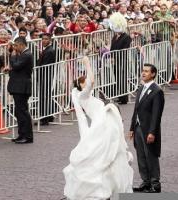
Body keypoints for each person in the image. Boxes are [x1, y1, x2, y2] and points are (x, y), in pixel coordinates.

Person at [63, 57, 133, 200]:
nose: (87, 82)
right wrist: (87, 64)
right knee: (104, 152)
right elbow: (92, 81)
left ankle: (105, 185)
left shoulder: (84, 97)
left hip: (103, 123)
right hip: (102, 124)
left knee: (105, 152)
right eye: (84, 81)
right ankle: (100, 187)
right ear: (82, 85)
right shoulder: (83, 95)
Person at [129, 64, 165, 193]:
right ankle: (146, 182)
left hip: (149, 130)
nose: (143, 73)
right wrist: (132, 127)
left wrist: (152, 132)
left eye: (146, 71)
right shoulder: (141, 88)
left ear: (153, 74)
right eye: (142, 71)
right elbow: (136, 110)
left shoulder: (157, 91)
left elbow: (156, 115)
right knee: (141, 156)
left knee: (151, 155)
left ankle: (155, 184)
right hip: (139, 128)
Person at [6, 37, 33, 144]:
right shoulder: (22, 54)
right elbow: (17, 67)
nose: (15, 48)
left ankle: (27, 136)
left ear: (22, 45)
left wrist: (12, 57)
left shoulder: (27, 54)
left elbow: (16, 66)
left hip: (22, 87)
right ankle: (22, 134)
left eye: (16, 46)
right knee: (19, 112)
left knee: (22, 112)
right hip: (19, 86)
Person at [36, 33, 56, 126]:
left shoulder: (49, 51)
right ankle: (49, 116)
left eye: (46, 39)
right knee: (46, 96)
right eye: (43, 39)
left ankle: (45, 118)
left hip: (45, 76)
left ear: (50, 40)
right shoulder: (47, 50)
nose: (44, 40)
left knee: (44, 97)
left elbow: (44, 65)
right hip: (46, 76)